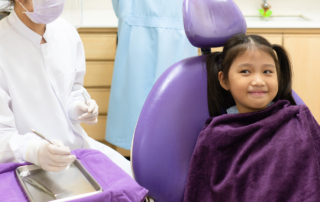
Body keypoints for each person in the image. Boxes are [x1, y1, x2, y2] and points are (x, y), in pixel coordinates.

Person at [0, 0, 131, 176]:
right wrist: (33, 150)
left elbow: (72, 90)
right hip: (23, 163)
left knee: (136, 180)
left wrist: (78, 107)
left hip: (77, 149)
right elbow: (2, 134)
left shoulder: (66, 32)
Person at [184, 34, 320, 201]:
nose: (258, 81)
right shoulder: (215, 136)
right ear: (224, 79)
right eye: (245, 71)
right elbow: (203, 193)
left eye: (267, 71)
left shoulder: (299, 120)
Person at [106, 0, 198, 150]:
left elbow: (118, 7)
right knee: (172, 109)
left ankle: (139, 164)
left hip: (137, 37)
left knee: (138, 107)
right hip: (176, 38)